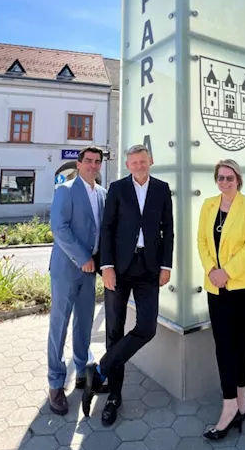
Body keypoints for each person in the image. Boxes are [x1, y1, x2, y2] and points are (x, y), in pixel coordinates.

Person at [83, 144, 174, 425]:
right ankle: (114, 396)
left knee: (146, 328)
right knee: (114, 330)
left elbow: (168, 228)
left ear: (151, 161)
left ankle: (99, 370)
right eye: (133, 162)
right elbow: (107, 228)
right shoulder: (117, 188)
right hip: (119, 269)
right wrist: (106, 267)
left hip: (149, 268)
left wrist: (166, 265)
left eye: (143, 161)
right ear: (127, 164)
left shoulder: (161, 188)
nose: (138, 166)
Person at [196, 159, 245, 441]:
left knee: (242, 340)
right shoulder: (209, 205)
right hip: (215, 286)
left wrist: (228, 273)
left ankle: (242, 394)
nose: (224, 182)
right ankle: (229, 403)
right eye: (220, 178)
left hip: (244, 285)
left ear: (238, 179)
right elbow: (201, 241)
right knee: (223, 344)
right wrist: (212, 270)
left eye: (229, 178)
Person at [44, 146, 108, 415]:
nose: (93, 165)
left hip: (90, 270)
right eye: (88, 161)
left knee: (84, 322)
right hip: (67, 269)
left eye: (97, 162)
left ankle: (82, 371)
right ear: (79, 164)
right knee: (59, 325)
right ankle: (56, 383)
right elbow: (59, 227)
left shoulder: (103, 194)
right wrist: (83, 257)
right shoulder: (66, 190)